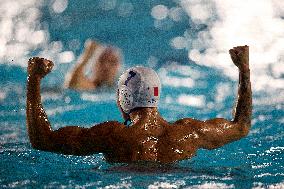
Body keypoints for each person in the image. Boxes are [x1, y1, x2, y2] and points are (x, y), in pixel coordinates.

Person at [26, 45, 252, 164]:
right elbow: (242, 126)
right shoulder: (190, 133)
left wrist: (34, 80)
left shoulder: (112, 136)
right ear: (157, 95)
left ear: (123, 99)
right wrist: (243, 69)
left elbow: (42, 140)